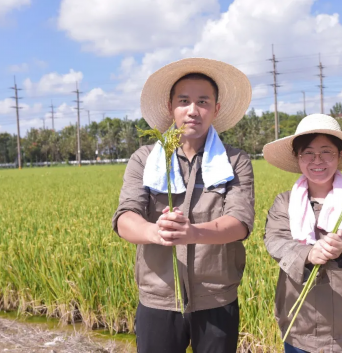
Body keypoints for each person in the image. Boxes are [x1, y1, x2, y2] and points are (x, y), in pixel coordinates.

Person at [112, 58, 255, 353]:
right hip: (158, 296)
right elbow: (126, 217)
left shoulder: (234, 160)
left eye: (203, 101)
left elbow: (240, 222)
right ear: (170, 107)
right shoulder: (145, 158)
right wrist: (154, 232)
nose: (193, 110)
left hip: (216, 297)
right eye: (184, 101)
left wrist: (194, 233)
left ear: (215, 108)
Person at [262, 114, 342, 353]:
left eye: (326, 151)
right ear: (298, 158)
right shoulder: (284, 202)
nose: (317, 160)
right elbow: (275, 241)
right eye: (308, 152)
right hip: (300, 320)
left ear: (339, 155)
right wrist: (308, 253)